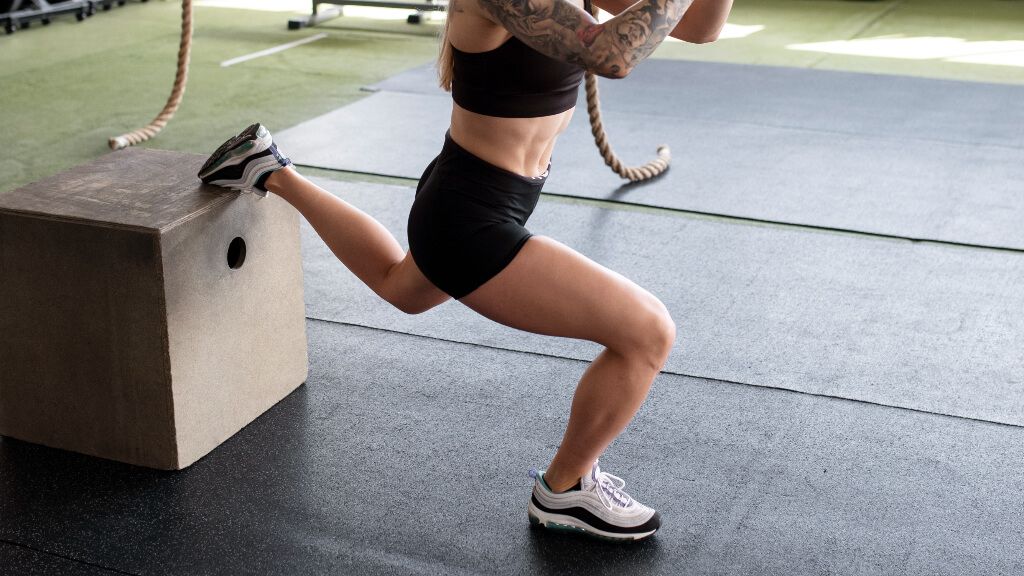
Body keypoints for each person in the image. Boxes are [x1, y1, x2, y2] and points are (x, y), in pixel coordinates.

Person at [198, 0, 731, 541]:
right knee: (647, 333)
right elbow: (613, 54)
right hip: (470, 220)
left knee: (402, 286)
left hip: (478, 193)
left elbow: (703, 28)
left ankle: (269, 169)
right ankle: (564, 489)